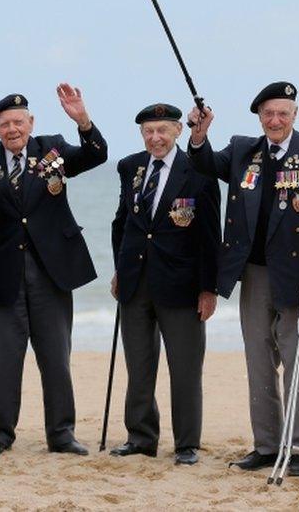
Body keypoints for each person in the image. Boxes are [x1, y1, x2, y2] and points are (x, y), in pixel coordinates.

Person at [186, 82, 299, 475]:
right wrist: (199, 134)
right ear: (259, 116)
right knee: (259, 361)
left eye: (283, 113)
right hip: (254, 274)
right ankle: (267, 445)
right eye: (268, 114)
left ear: (295, 115)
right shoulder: (243, 150)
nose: (275, 120)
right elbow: (206, 165)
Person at [0, 84, 107, 456]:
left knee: (55, 357)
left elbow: (97, 155)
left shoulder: (54, 149)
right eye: (4, 124)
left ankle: (61, 434)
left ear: (31, 122)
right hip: (2, 274)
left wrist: (83, 120)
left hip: (52, 272)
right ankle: (0, 433)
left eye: (18, 122)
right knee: (2, 360)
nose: (13, 129)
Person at [108, 103, 221, 465]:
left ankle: (187, 443)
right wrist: (119, 270)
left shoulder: (199, 170)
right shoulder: (131, 167)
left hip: (182, 287)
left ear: (177, 132)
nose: (155, 138)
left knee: (185, 369)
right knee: (139, 367)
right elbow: (122, 223)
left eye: (162, 131)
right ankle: (141, 437)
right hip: (135, 283)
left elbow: (209, 236)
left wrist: (208, 288)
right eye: (148, 131)